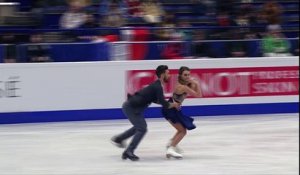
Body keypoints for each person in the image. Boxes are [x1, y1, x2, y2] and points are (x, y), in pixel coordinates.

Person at [111, 65, 181, 161]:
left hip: (135, 108)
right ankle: (129, 151)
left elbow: (157, 100)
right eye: (167, 73)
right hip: (131, 107)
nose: (169, 75)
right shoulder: (158, 86)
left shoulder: (157, 86)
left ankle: (119, 139)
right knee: (142, 128)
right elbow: (164, 103)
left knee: (139, 127)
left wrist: (171, 104)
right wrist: (174, 105)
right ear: (162, 74)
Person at [162, 66, 202, 159]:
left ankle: (171, 144)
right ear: (180, 75)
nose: (187, 76)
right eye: (185, 75)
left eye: (188, 74)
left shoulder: (185, 84)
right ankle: (171, 149)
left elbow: (192, 88)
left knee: (181, 129)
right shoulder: (182, 87)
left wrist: (192, 83)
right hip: (170, 110)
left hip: (174, 109)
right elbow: (199, 95)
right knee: (182, 131)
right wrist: (196, 83)